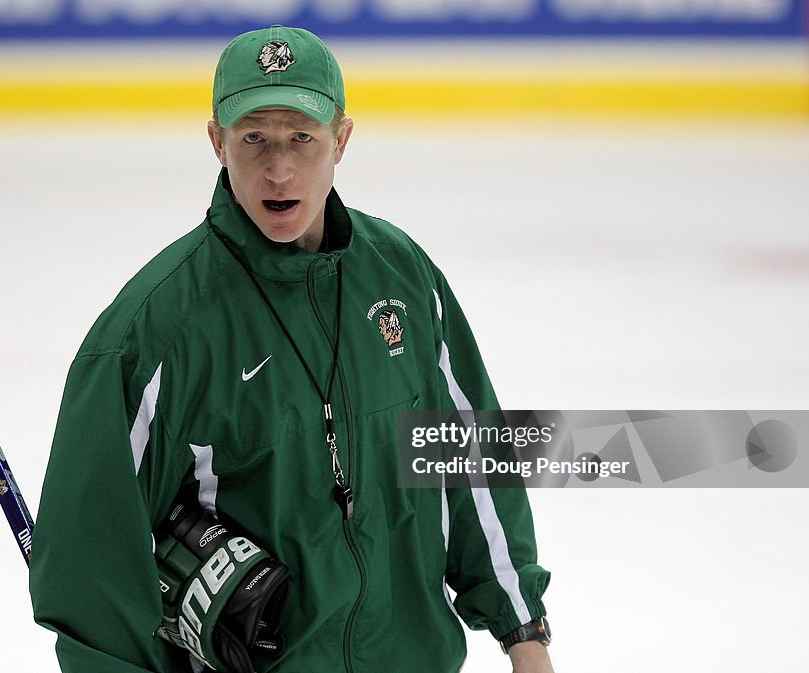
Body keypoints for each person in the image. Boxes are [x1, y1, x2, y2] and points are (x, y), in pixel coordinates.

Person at [29, 25, 553, 673]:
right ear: (217, 143)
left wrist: (522, 630)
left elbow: (467, 454)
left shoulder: (403, 278)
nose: (279, 169)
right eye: (254, 139)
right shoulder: (154, 334)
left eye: (301, 137)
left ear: (342, 140)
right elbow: (92, 569)